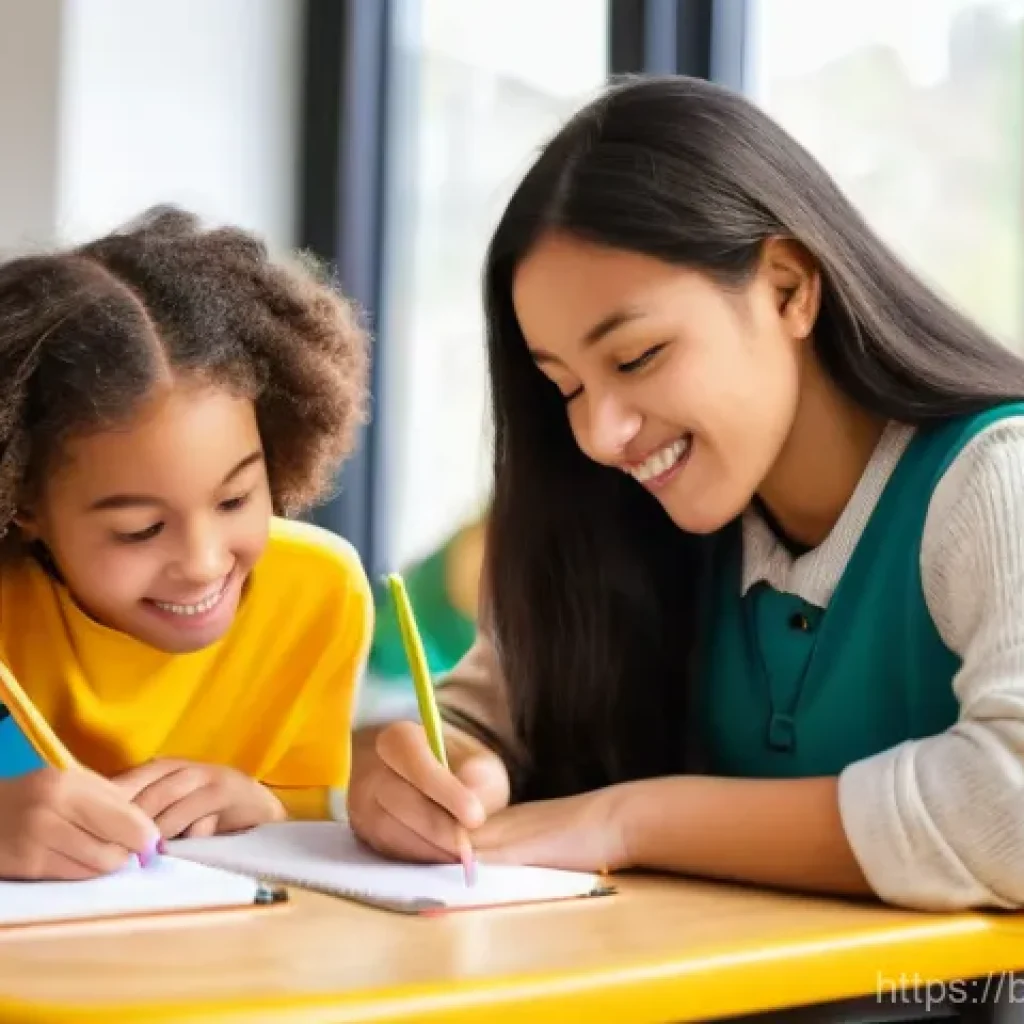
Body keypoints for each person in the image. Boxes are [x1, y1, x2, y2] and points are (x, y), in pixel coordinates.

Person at [347, 75, 1024, 914]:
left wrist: (631, 821)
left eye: (636, 359)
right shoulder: (642, 512)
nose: (599, 434)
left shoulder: (998, 478)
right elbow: (469, 719)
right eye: (565, 388)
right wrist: (425, 770)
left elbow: (1012, 809)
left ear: (788, 287)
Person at [0, 207, 373, 881]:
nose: (204, 562)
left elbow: (317, 813)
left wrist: (261, 805)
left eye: (235, 500)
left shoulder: (318, 593)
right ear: (24, 502)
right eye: (140, 529)